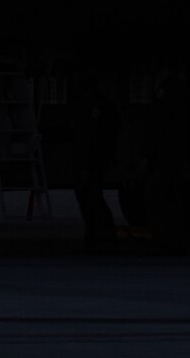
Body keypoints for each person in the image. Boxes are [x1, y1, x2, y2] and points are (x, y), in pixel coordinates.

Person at [68, 66, 123, 252]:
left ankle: (102, 235)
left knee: (92, 199)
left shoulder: (94, 106)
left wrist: (87, 165)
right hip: (93, 159)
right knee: (89, 199)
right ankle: (97, 234)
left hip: (92, 160)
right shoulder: (95, 104)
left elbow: (91, 137)